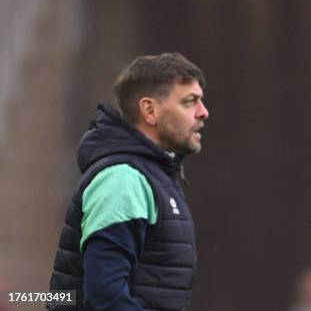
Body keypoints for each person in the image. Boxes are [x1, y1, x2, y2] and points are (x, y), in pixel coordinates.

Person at [48, 53, 210, 310]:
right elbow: (105, 296)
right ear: (150, 110)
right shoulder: (123, 179)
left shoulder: (153, 176)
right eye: (190, 102)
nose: (204, 113)